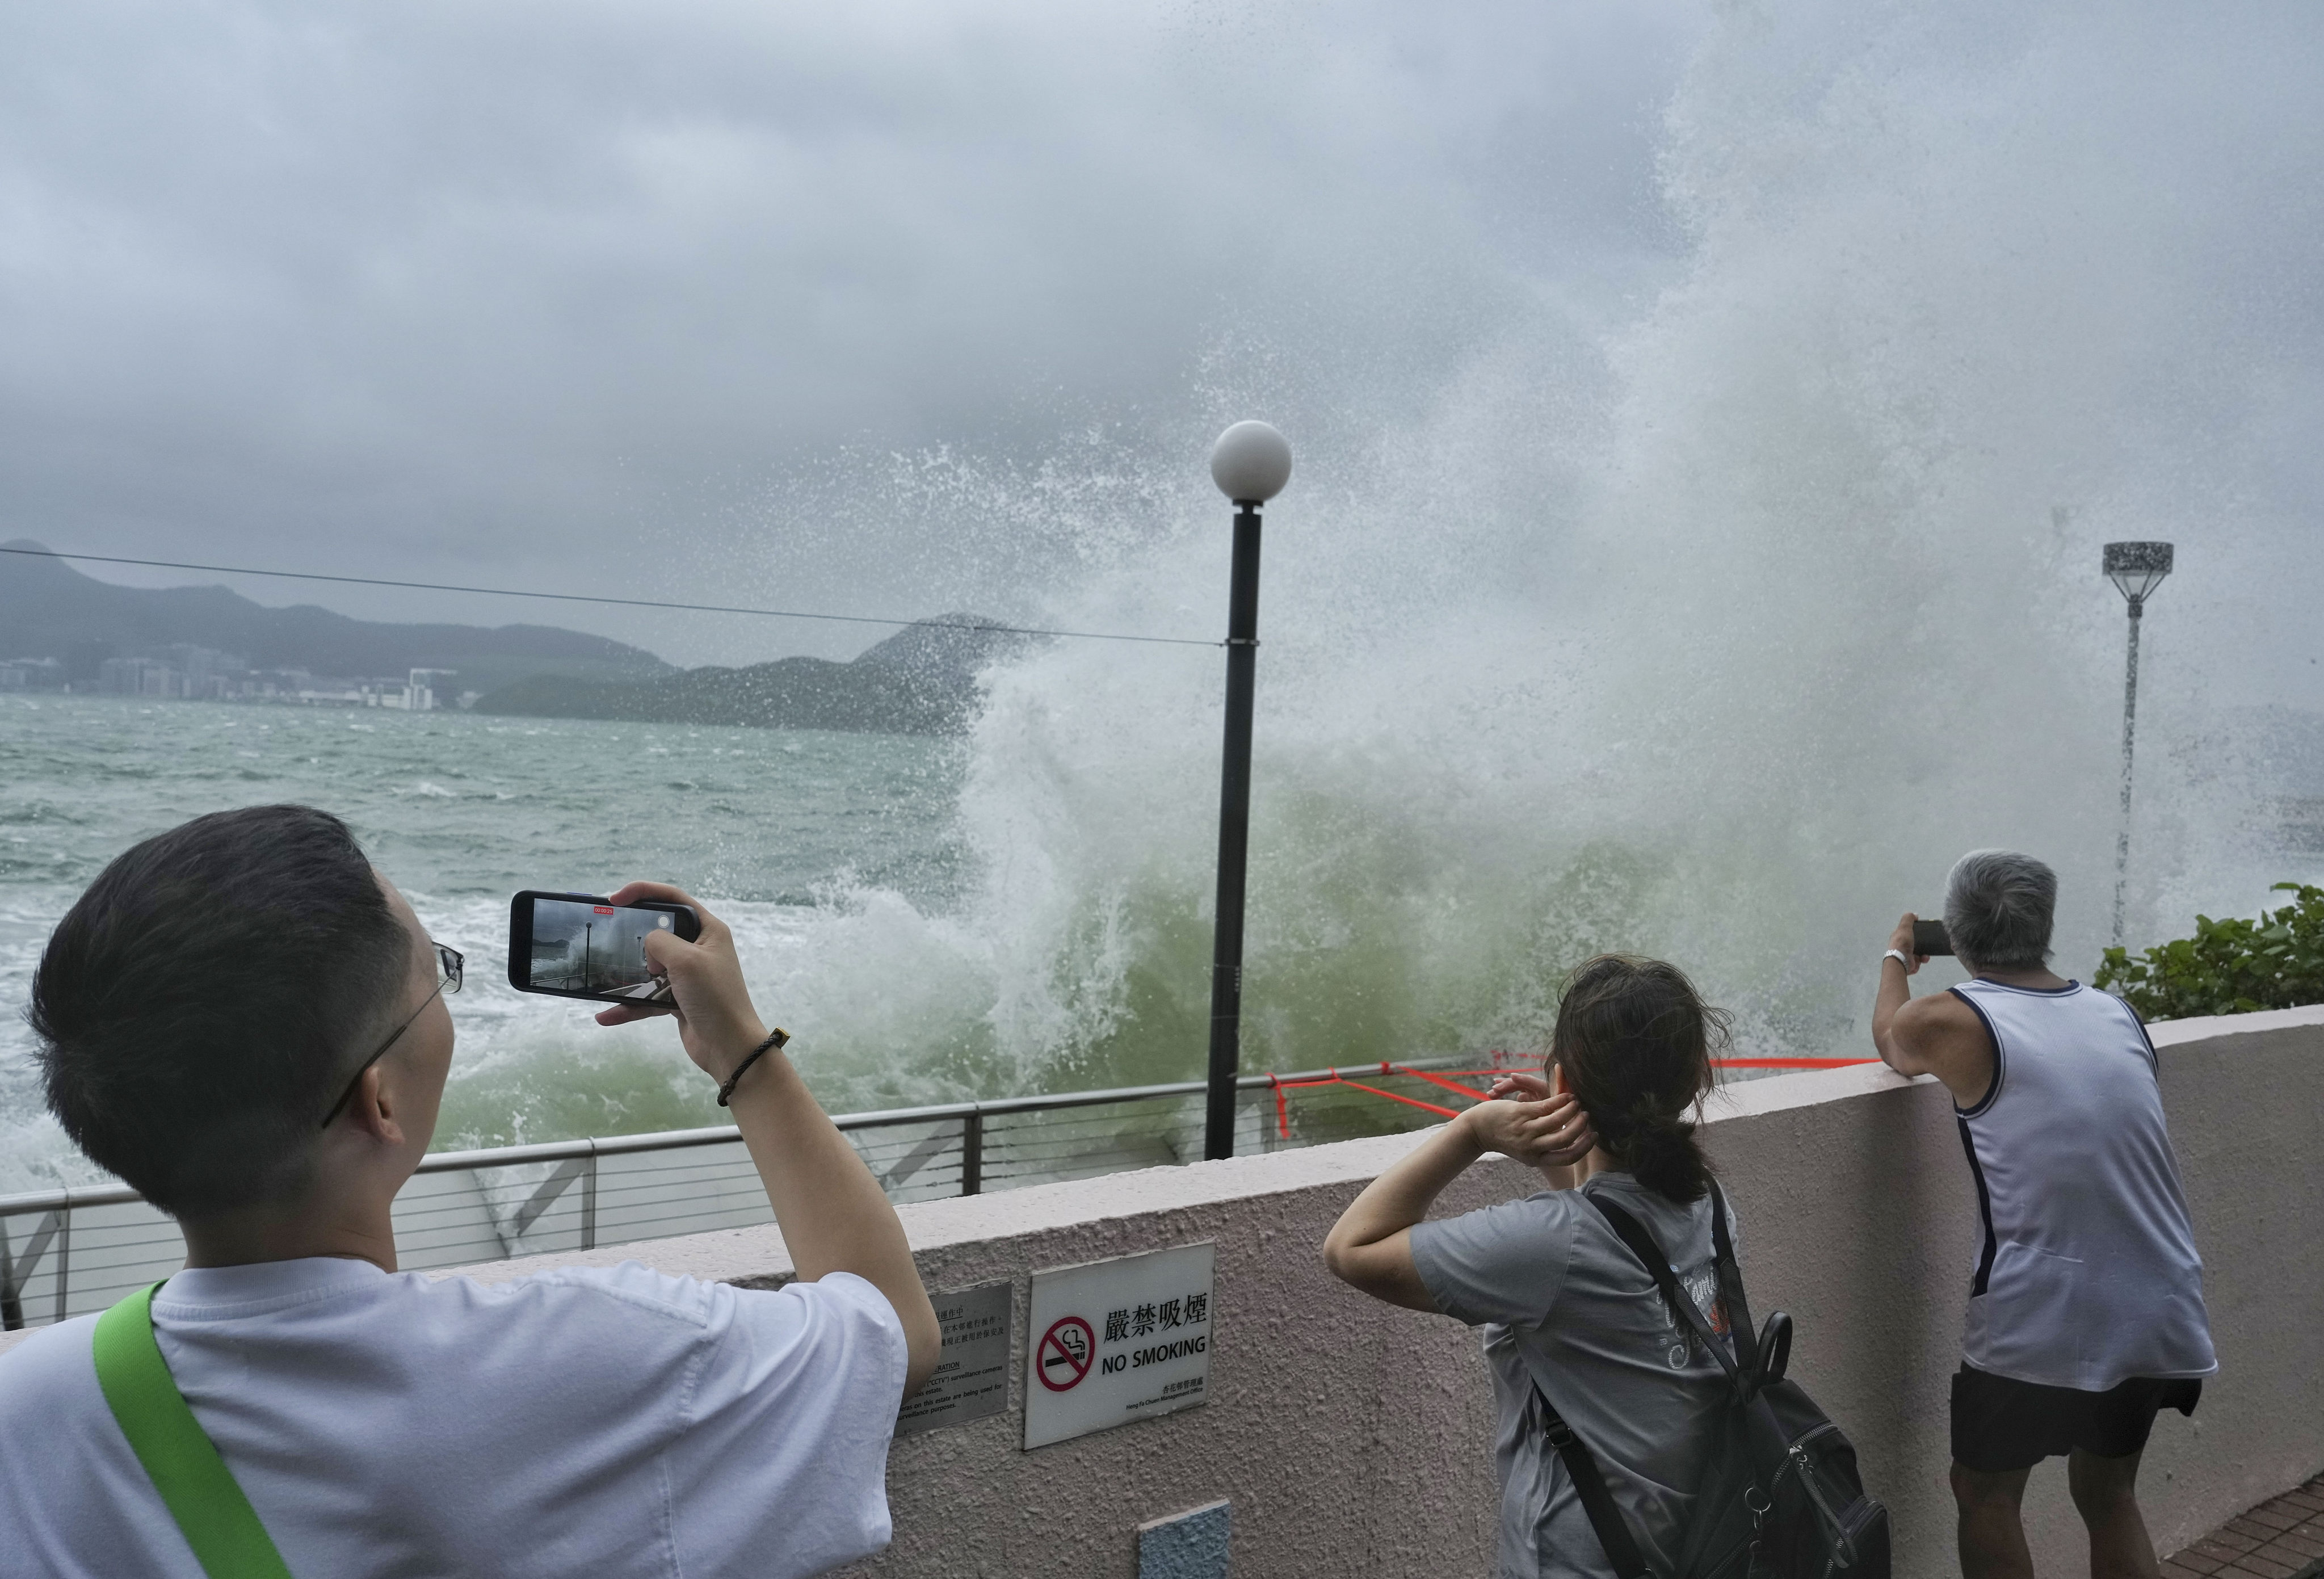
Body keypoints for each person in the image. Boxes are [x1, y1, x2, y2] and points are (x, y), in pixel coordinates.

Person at [0, 804, 942, 1577]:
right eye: (438, 974)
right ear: (381, 1098)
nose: (446, 1000)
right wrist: (744, 1053)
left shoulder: (26, 1406)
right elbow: (891, 1328)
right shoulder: (591, 1359)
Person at [1322, 955, 1746, 1579]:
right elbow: (1602, 1233)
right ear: (1692, 1082)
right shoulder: (1708, 1205)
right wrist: (1561, 1138)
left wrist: (1471, 1133)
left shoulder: (1556, 1245)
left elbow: (1350, 1248)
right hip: (1697, 1549)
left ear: (1566, 1082)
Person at [1872, 849, 2215, 1579]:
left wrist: (1897, 954)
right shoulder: (2116, 1012)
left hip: (2045, 1308)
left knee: (1985, 1492)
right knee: (2110, 1492)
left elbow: (1891, 1039)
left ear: (1956, 931)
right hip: (2158, 1295)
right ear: (2044, 925)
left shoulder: (1950, 1017)